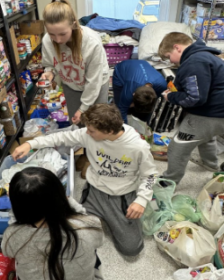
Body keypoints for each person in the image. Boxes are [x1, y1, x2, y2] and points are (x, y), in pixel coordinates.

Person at [13, 103, 156, 256]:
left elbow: (150, 175)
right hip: (94, 192)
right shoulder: (87, 134)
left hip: (121, 196)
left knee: (131, 249)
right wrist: (30, 143)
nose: (86, 133)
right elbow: (59, 137)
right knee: (74, 236)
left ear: (109, 131)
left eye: (92, 131)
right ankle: (99, 216)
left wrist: (141, 200)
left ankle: (111, 219)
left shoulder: (138, 147)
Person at [1, 166, 107, 280]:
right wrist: (73, 205)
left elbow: (8, 252)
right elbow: (98, 241)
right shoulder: (89, 225)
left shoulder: (13, 235)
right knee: (93, 256)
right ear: (60, 196)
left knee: (22, 266)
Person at [156, 31, 224, 184]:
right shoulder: (203, 56)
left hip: (216, 115)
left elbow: (194, 98)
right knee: (205, 135)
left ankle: (168, 182)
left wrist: (170, 97)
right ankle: (210, 164)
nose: (171, 61)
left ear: (177, 47)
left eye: (169, 56)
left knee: (178, 147)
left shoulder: (194, 62)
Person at [40, 0, 110, 123]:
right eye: (52, 34)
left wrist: (83, 108)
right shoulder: (46, 40)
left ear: (73, 24)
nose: (58, 40)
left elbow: (93, 82)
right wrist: (49, 72)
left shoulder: (91, 43)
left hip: (96, 85)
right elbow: (49, 64)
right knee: (77, 123)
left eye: (62, 34)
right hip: (71, 85)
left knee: (98, 124)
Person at [110, 56, 167, 123]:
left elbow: (153, 103)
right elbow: (121, 110)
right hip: (122, 67)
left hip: (143, 64)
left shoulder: (162, 85)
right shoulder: (129, 91)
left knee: (144, 111)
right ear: (133, 94)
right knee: (119, 103)